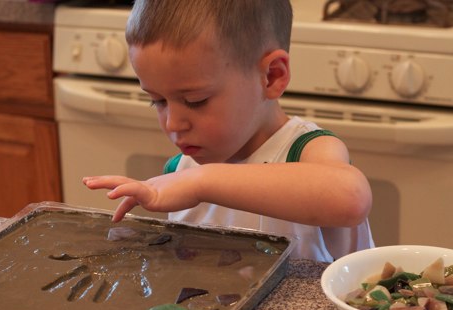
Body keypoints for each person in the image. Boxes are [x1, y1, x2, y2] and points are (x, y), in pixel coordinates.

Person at [83, 0, 374, 262]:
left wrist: (201, 182)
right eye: (157, 101)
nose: (172, 123)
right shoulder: (182, 170)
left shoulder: (307, 150)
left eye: (196, 101)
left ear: (271, 76)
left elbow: (350, 198)